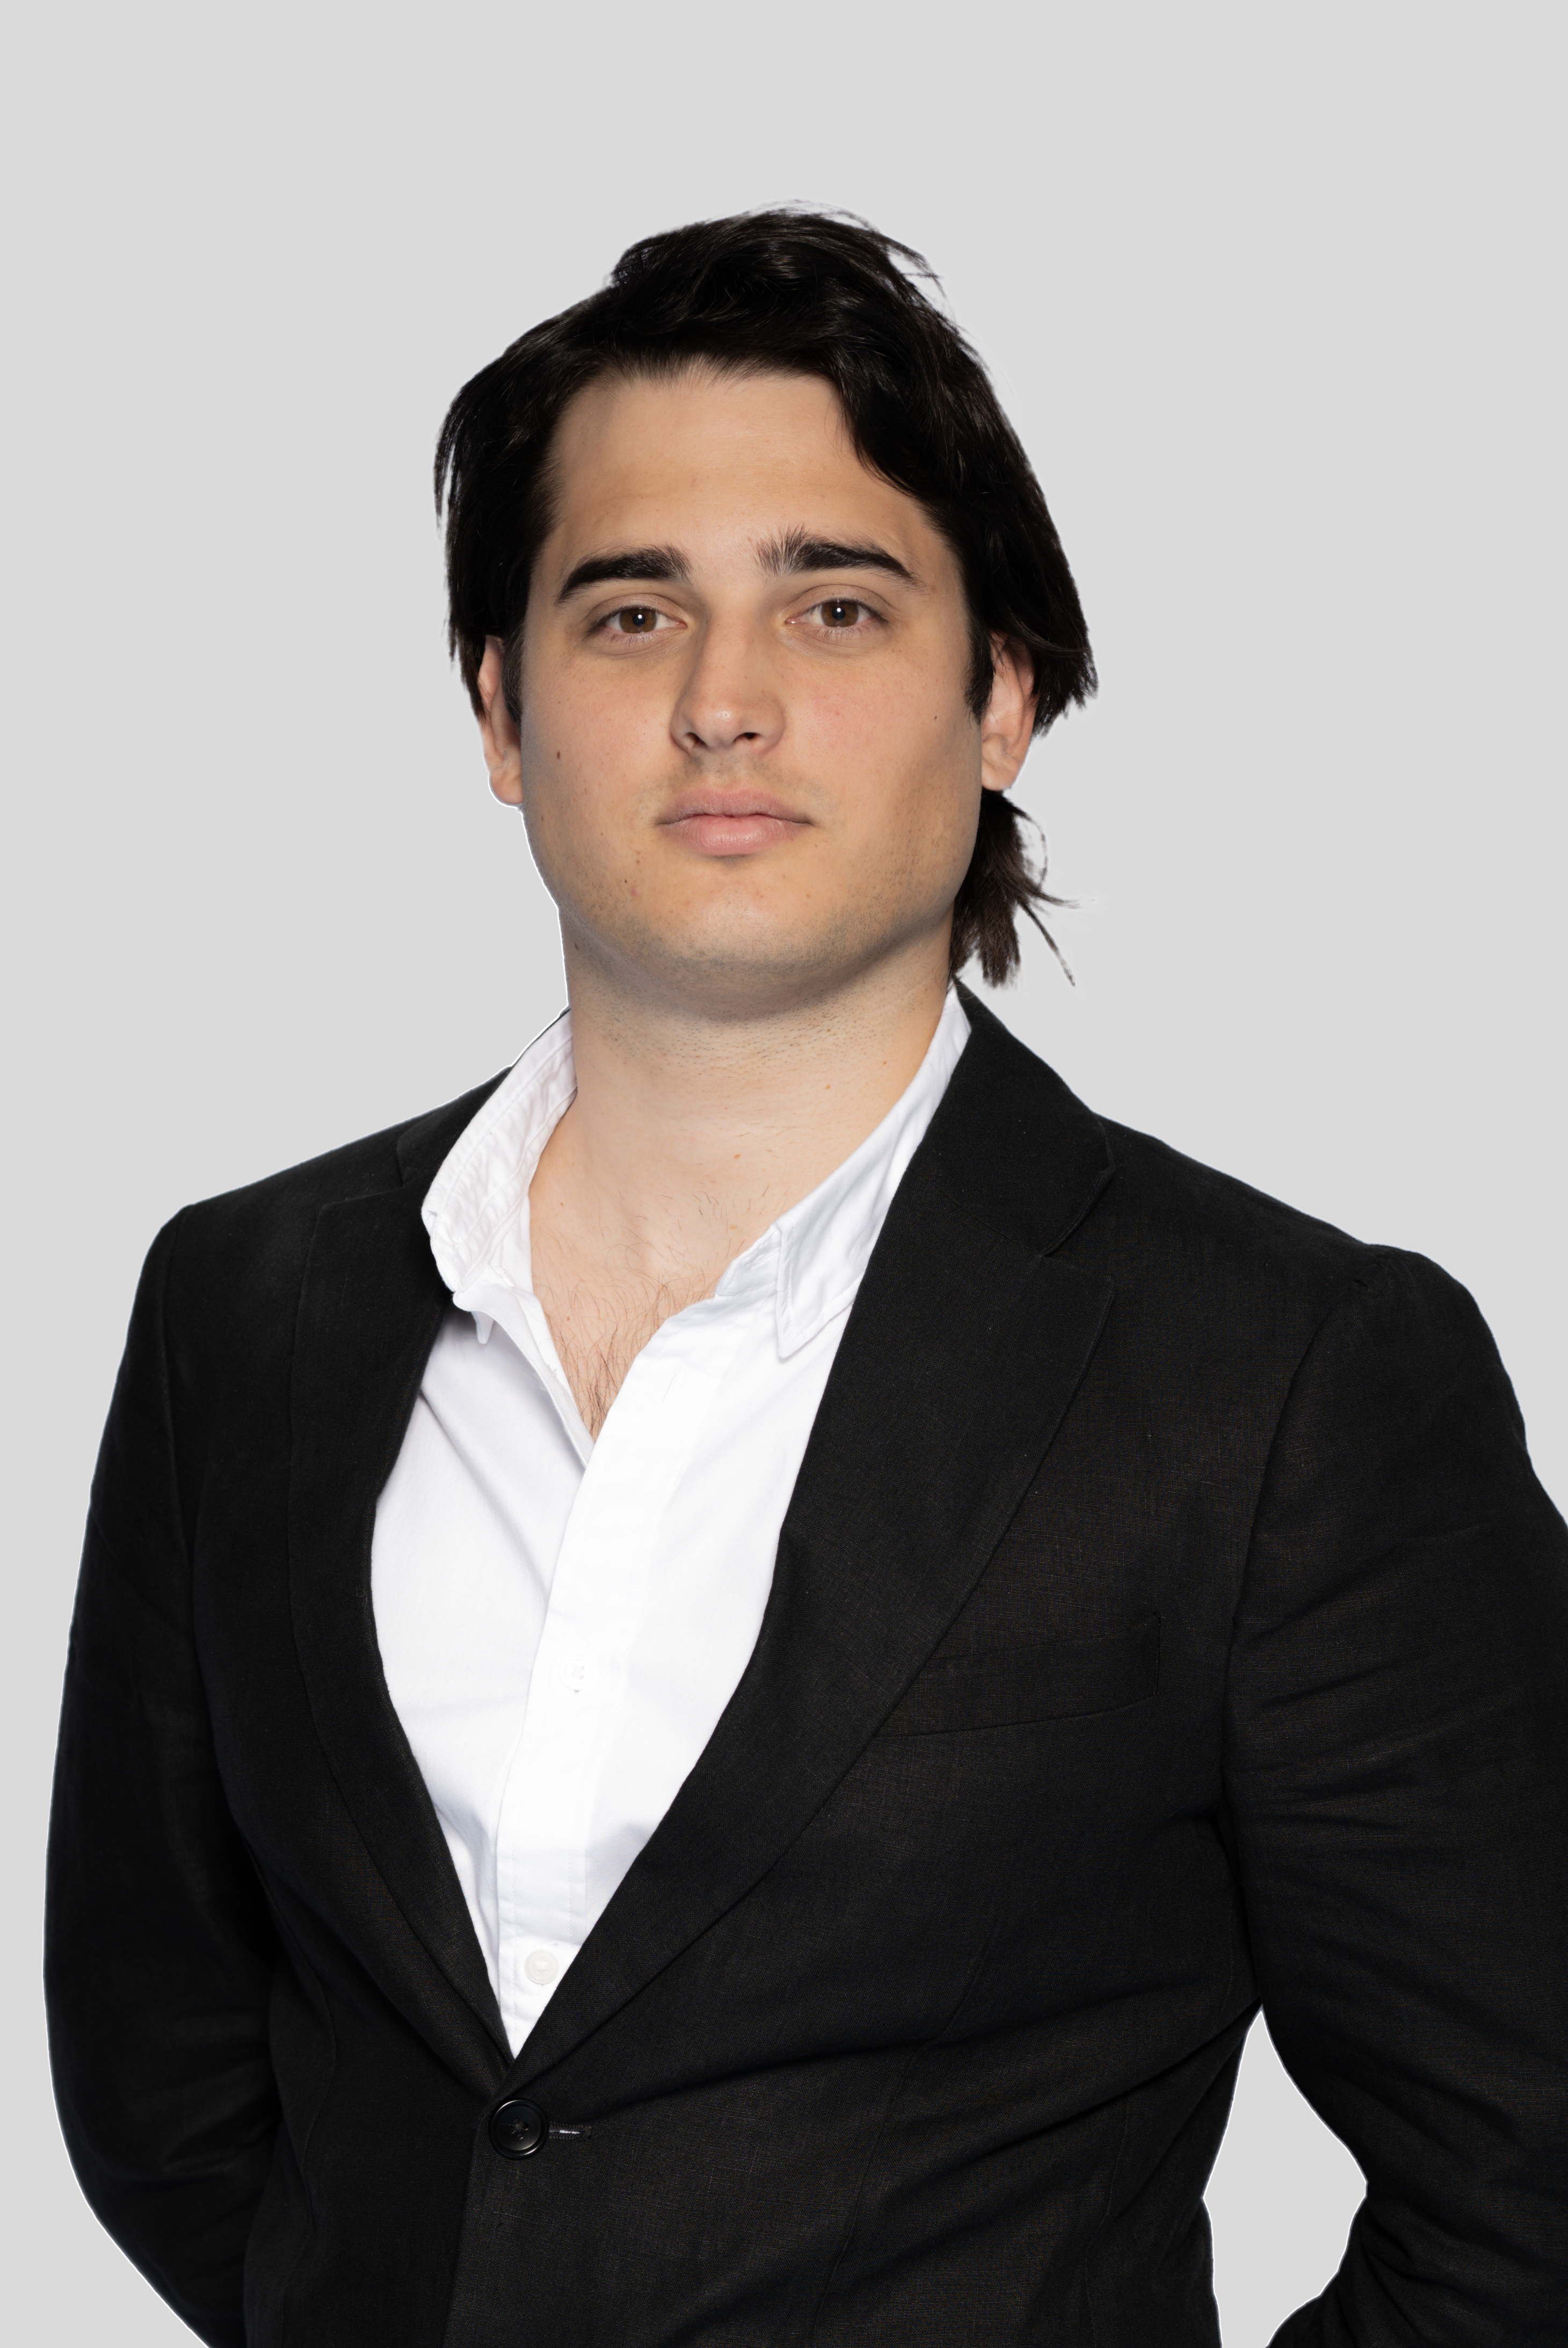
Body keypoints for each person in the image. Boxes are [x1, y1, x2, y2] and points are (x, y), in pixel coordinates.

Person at [45, 210, 1568, 2348]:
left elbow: (1529, 2183)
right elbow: (165, 2067)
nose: (723, 701)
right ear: (500, 710)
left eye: (834, 605)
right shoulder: (249, 1305)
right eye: (629, 610)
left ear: (1002, 696)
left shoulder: (1289, 1379)